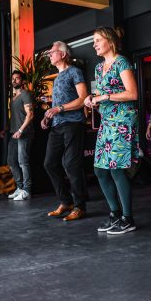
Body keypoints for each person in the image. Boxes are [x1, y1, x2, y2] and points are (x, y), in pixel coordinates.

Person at [84, 27, 140, 234]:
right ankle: (114, 215)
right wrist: (91, 99)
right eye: (94, 41)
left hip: (123, 121)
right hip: (106, 121)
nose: (94, 44)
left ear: (110, 41)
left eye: (98, 40)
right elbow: (100, 93)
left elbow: (132, 93)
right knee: (100, 169)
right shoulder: (99, 68)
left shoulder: (122, 62)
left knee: (116, 169)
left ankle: (128, 218)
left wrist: (104, 97)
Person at [42, 41, 89, 221]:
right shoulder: (57, 77)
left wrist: (59, 109)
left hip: (73, 123)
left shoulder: (74, 72)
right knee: (49, 163)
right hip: (57, 126)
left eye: (52, 52)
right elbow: (57, 105)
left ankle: (79, 206)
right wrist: (48, 116)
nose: (50, 55)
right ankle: (66, 201)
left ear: (62, 54)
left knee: (71, 164)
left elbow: (83, 98)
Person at [4, 70, 35, 201]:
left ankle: (27, 190)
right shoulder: (14, 97)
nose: (14, 80)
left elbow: (30, 114)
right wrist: (7, 129)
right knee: (11, 161)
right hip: (13, 133)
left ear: (22, 81)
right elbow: (16, 116)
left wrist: (21, 130)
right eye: (13, 78)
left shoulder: (25, 94)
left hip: (24, 133)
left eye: (17, 78)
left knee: (23, 162)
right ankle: (20, 188)